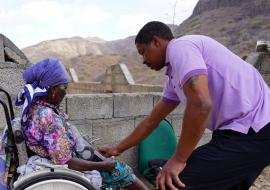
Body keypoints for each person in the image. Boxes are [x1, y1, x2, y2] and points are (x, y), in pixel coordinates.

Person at [99, 21, 270, 190]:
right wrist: (117, 149)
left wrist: (178, 159)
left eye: (143, 52)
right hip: (242, 132)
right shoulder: (175, 78)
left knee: (172, 182)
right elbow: (152, 120)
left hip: (254, 128)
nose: (143, 60)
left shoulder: (180, 47)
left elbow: (201, 104)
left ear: (156, 42)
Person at [16, 58, 148, 190]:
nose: (65, 92)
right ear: (53, 89)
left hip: (64, 157)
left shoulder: (35, 108)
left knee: (109, 162)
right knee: (122, 171)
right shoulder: (47, 117)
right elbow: (65, 161)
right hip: (67, 168)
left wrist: (92, 153)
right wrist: (103, 165)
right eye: (64, 87)